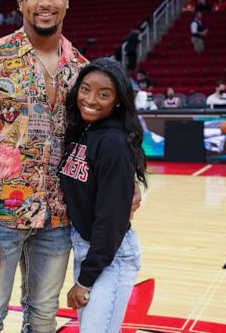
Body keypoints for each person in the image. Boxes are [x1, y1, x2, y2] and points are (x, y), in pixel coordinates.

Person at [0, 0, 141, 333]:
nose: (45, 2)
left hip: (59, 221)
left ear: (67, 2)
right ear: (20, 2)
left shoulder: (82, 69)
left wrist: (130, 181)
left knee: (43, 317)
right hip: (1, 219)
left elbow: (105, 138)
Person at [59, 58, 147, 332]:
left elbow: (110, 221)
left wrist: (85, 280)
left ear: (118, 100)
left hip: (110, 255)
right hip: (89, 250)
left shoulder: (113, 143)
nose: (91, 99)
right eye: (85, 89)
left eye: (104, 94)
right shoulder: (83, 132)